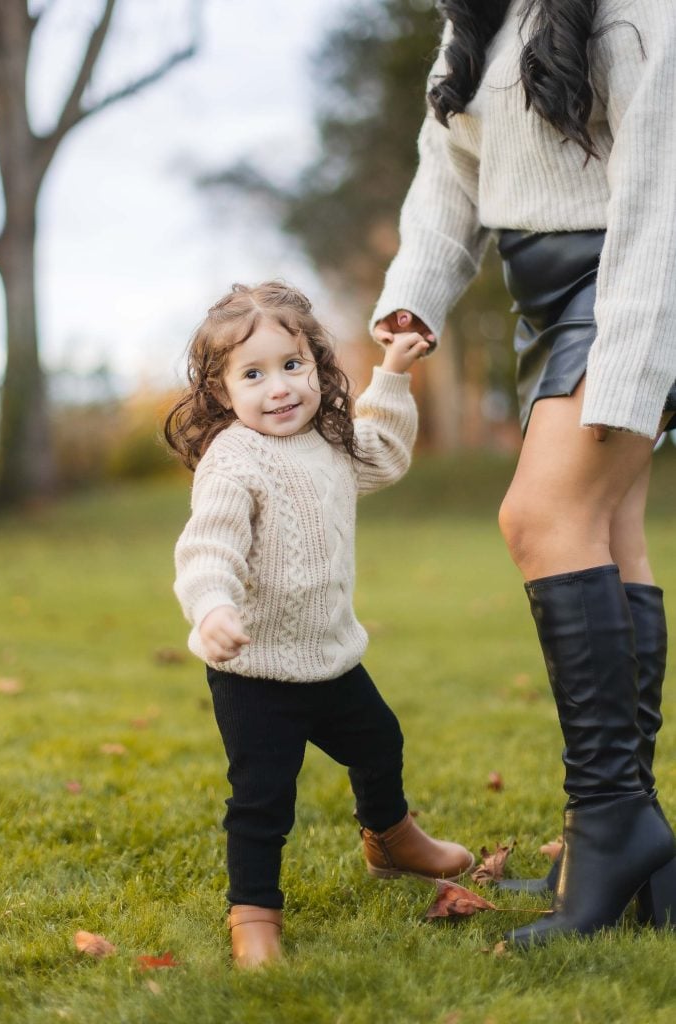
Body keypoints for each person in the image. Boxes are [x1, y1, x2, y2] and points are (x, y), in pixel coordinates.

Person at [371, 0, 676, 945]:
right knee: (604, 534)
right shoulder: (478, 19)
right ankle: (632, 847)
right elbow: (448, 173)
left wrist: (630, 363)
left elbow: (660, 190)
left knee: (539, 519)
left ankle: (610, 822)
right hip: (539, 297)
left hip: (626, 282)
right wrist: (415, 294)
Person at [165, 281, 474, 969]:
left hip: (331, 657)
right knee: (262, 799)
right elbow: (207, 545)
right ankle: (253, 915)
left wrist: (392, 372)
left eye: (291, 365)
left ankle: (390, 838)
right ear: (220, 393)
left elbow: (387, 454)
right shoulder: (233, 460)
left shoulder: (328, 440)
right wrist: (212, 606)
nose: (278, 388)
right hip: (254, 673)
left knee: (378, 741)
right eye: (253, 374)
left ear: (316, 365)